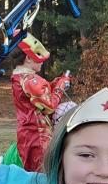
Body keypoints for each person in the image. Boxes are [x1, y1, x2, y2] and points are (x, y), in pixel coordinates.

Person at [9, 33, 72, 171]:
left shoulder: (19, 77)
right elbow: (49, 106)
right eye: (39, 59)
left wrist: (54, 84)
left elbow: (38, 96)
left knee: (32, 168)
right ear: (28, 58)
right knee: (43, 169)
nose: (42, 62)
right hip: (38, 134)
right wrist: (60, 87)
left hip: (27, 131)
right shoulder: (31, 80)